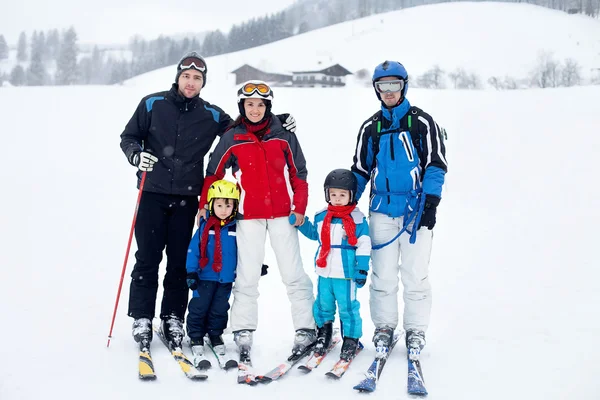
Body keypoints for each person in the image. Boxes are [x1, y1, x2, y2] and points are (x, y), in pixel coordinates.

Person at [120, 52, 296, 351]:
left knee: (179, 260)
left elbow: (245, 127)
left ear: (203, 83)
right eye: (187, 76)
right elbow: (129, 136)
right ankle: (142, 317)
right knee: (147, 257)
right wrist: (137, 155)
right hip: (152, 191)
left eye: (197, 78)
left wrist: (275, 121)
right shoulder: (152, 104)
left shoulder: (212, 115)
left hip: (188, 197)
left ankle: (173, 315)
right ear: (178, 77)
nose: (191, 82)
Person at [199, 80, 315, 357]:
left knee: (293, 273)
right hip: (248, 216)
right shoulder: (232, 137)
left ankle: (306, 327)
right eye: (249, 104)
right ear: (242, 106)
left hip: (282, 216)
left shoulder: (283, 134)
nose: (255, 109)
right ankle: (242, 328)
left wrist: (299, 207)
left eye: (260, 104)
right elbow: (213, 172)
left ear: (268, 107)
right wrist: (205, 203)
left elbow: (299, 174)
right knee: (247, 274)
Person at [350, 61, 448, 358]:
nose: (389, 91)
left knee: (415, 274)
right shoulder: (371, 127)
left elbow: (436, 164)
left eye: (394, 84)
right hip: (381, 211)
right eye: (383, 86)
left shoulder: (422, 122)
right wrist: (346, 204)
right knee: (382, 275)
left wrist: (430, 202)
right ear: (376, 89)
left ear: (404, 86)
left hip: (415, 211)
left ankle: (416, 330)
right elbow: (360, 170)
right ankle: (384, 327)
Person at [293, 169, 371, 361]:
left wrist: (362, 269)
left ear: (351, 195)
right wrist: (301, 223)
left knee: (348, 307)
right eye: (333, 194)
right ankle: (324, 332)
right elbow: (315, 234)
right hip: (324, 272)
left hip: (346, 274)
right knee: (323, 305)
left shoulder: (358, 219)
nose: (337, 199)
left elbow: (364, 244)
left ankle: (351, 338)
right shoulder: (321, 216)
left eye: (342, 195)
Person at [185, 179, 239, 366]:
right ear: (211, 205)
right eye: (219, 205)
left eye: (228, 205)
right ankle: (196, 335)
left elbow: (245, 252)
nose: (223, 209)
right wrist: (191, 273)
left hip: (225, 279)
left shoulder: (237, 230)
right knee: (199, 307)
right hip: (204, 277)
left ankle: (215, 334)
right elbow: (193, 250)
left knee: (220, 308)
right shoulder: (204, 228)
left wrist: (254, 266)